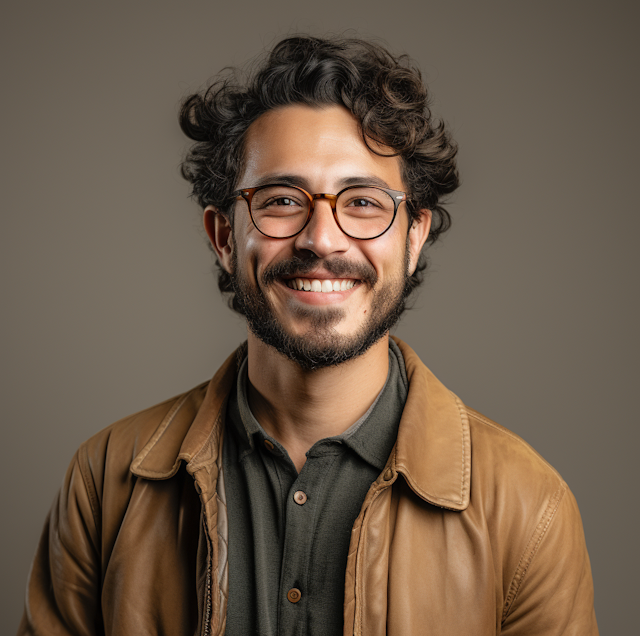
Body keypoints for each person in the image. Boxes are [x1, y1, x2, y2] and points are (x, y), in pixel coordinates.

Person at [18, 36, 598, 635]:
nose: (322, 239)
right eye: (281, 201)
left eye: (364, 202)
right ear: (222, 237)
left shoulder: (531, 509)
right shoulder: (105, 479)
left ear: (415, 234)